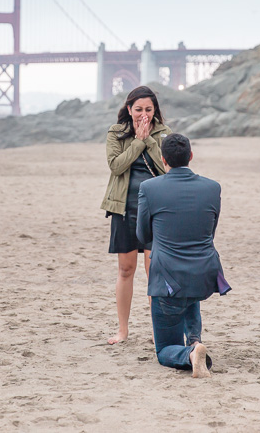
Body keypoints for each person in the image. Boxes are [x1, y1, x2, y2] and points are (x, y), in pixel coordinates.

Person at [136, 133, 231, 377]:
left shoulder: (149, 188)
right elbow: (210, 230)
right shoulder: (212, 187)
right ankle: (195, 340)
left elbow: (142, 234)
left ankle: (190, 353)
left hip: (168, 279)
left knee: (165, 348)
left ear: (162, 158)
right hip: (204, 274)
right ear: (190, 156)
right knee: (189, 291)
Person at [100, 85, 172, 345]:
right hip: (125, 208)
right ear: (129, 109)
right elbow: (116, 166)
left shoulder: (165, 134)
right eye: (138, 109)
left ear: (155, 111)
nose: (144, 114)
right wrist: (138, 141)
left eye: (149, 110)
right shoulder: (116, 133)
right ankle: (123, 329)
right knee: (125, 269)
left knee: (155, 272)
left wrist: (149, 139)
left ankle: (158, 331)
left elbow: (168, 169)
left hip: (156, 210)